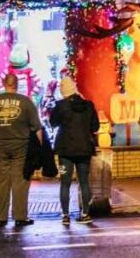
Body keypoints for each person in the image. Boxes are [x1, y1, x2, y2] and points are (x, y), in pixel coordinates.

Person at [0, 72, 43, 228]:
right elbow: (37, 129)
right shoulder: (26, 102)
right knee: (20, 183)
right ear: (16, 84)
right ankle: (20, 217)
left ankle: (1, 217)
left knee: (0, 183)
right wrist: (38, 148)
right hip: (21, 148)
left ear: (4, 83)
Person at [50, 77, 99, 225]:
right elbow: (95, 127)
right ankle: (85, 214)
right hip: (84, 149)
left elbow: (53, 123)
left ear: (63, 90)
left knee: (65, 183)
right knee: (84, 182)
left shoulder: (60, 106)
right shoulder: (89, 105)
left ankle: (65, 215)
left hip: (65, 150)